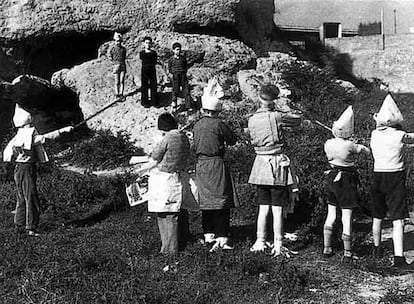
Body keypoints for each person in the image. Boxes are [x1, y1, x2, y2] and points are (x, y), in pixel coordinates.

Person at [248, 84, 302, 257]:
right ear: (274, 99)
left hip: (259, 164)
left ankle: (260, 240)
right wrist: (286, 106)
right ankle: (278, 243)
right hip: (276, 164)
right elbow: (297, 120)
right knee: (277, 208)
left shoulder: (252, 119)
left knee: (263, 207)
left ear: (260, 98)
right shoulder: (277, 116)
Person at [3, 104, 73, 236]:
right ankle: (30, 228)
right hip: (25, 168)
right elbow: (43, 139)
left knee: (23, 198)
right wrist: (62, 131)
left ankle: (20, 225)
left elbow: (10, 151)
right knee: (31, 197)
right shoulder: (25, 135)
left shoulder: (19, 135)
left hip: (21, 168)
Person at [193, 78, 237, 251]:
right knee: (221, 200)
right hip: (216, 163)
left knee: (206, 200)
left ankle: (208, 234)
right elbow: (232, 140)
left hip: (201, 164)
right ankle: (222, 235)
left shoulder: (197, 125)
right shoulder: (219, 124)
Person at [370, 94, 414, 269]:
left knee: (377, 215)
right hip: (395, 176)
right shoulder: (400, 135)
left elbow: (380, 126)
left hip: (377, 175)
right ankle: (398, 257)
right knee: (398, 218)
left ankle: (377, 248)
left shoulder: (374, 134)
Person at [322, 105, 370, 262]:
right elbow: (366, 151)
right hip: (346, 180)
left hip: (331, 177)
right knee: (346, 216)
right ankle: (347, 251)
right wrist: (357, 142)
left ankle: (327, 247)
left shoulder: (328, 143)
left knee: (331, 213)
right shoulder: (350, 145)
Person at [144, 113, 195, 255]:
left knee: (163, 214)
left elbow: (155, 156)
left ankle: (168, 248)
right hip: (178, 177)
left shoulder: (167, 138)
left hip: (164, 178)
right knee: (173, 213)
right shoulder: (183, 137)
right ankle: (172, 248)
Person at [167, 42, 192, 112]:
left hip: (183, 76)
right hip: (176, 76)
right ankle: (174, 105)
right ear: (173, 50)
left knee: (186, 91)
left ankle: (188, 106)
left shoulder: (183, 58)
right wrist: (174, 73)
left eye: (179, 49)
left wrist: (184, 73)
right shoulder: (171, 59)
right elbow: (169, 68)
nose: (178, 51)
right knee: (175, 91)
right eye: (177, 49)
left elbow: (185, 66)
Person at [139, 36, 158, 107]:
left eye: (149, 43)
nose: (148, 44)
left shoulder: (154, 53)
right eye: (146, 43)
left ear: (151, 44)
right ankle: (145, 102)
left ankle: (154, 102)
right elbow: (141, 60)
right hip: (144, 70)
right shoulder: (141, 53)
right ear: (143, 44)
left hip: (152, 70)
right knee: (144, 86)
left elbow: (155, 61)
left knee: (154, 85)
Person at [108, 32, 127, 98]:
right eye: (116, 41)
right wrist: (113, 63)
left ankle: (121, 93)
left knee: (122, 80)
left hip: (123, 65)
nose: (118, 42)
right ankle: (117, 93)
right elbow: (109, 56)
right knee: (117, 81)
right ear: (114, 41)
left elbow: (124, 57)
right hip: (116, 66)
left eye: (119, 41)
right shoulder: (112, 49)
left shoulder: (123, 49)